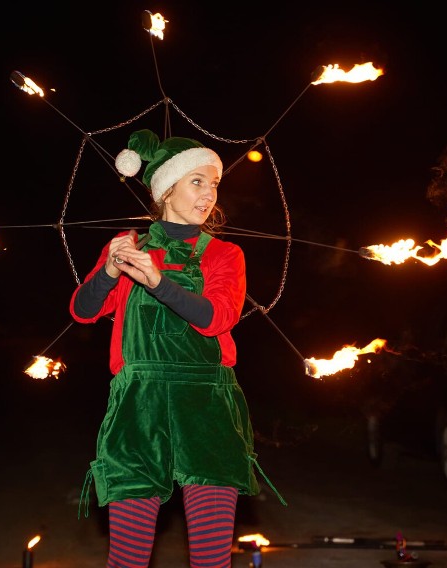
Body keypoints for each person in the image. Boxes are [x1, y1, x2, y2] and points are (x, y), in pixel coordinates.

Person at [70, 129, 284, 568]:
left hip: (206, 406)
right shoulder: (128, 247)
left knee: (210, 560)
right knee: (127, 559)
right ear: (166, 189)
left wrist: (158, 283)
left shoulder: (225, 254)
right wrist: (111, 270)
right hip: (138, 406)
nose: (210, 194)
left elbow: (217, 318)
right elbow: (82, 310)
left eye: (214, 184)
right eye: (197, 182)